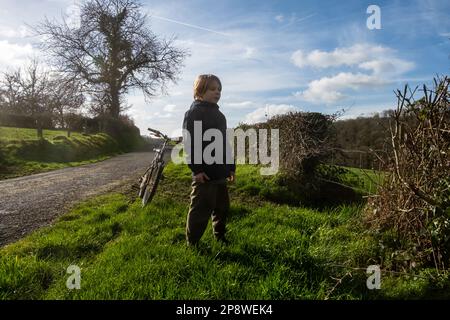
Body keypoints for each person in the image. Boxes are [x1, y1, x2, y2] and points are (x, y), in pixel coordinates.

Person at [182, 74, 235, 246]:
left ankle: (220, 236)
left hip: (220, 171)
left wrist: (231, 167)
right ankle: (193, 243)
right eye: (212, 89)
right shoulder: (193, 113)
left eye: (219, 89)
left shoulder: (220, 116)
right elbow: (190, 143)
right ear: (200, 90)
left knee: (222, 208)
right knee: (200, 209)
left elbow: (225, 143)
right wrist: (196, 170)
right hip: (204, 173)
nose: (217, 92)